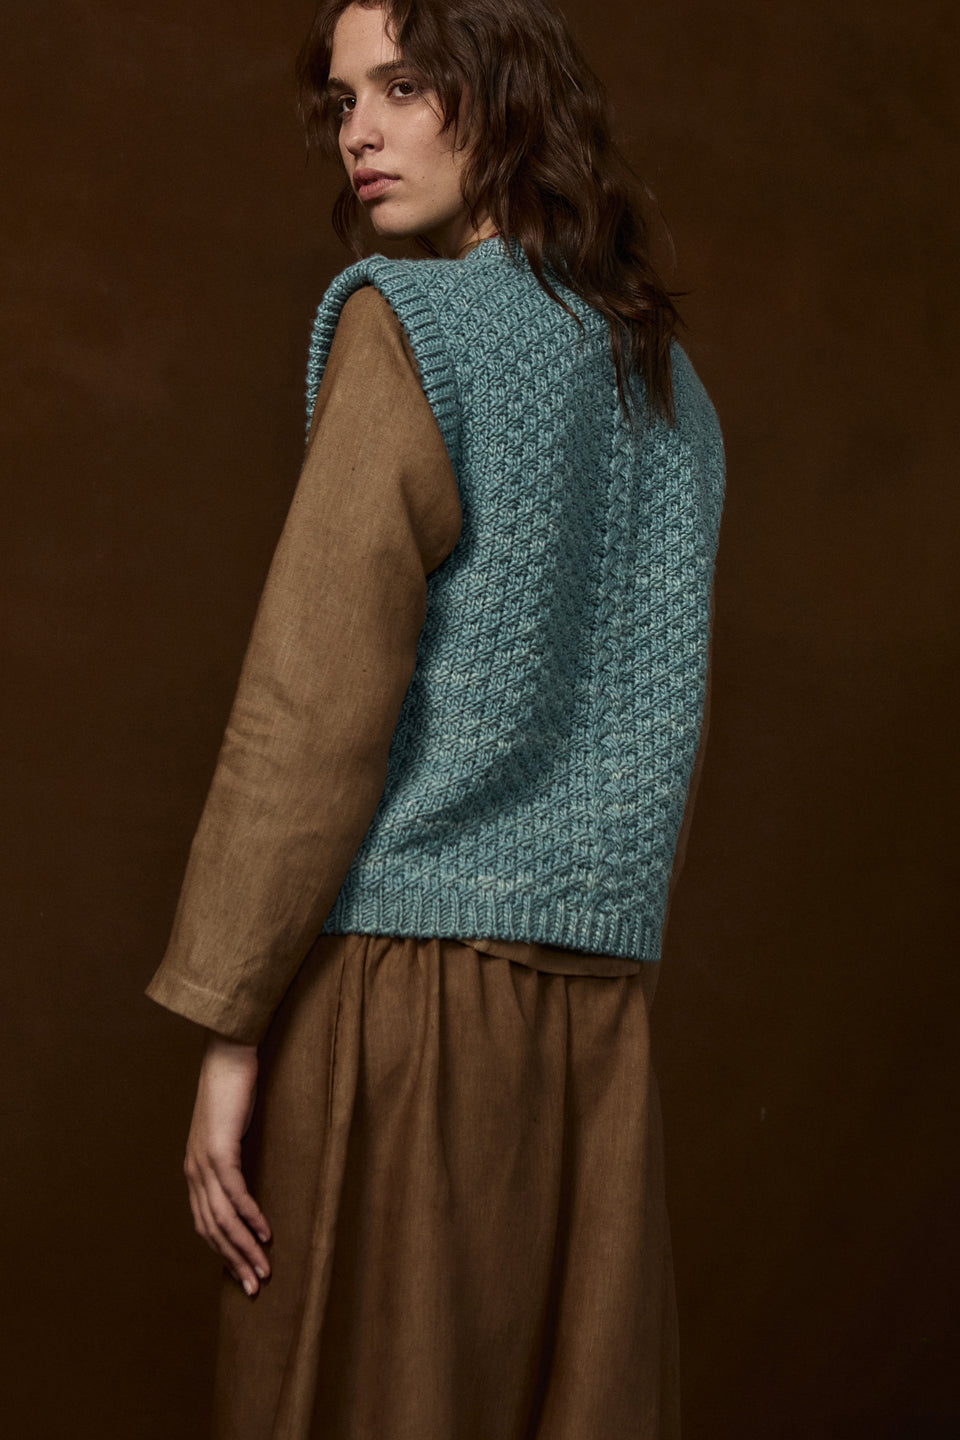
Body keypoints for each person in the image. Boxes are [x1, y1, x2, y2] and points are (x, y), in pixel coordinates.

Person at [146, 0, 726, 1434]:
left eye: (404, 87)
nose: (360, 131)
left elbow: (310, 701)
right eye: (345, 99)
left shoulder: (414, 325)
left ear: (503, 91)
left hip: (403, 1006)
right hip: (596, 1030)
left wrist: (230, 1027)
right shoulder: (668, 382)